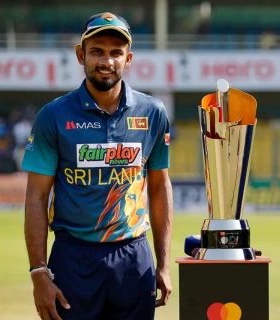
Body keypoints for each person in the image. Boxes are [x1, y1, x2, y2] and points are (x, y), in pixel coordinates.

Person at [22, 12, 173, 320]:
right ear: (81, 55)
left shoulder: (153, 112)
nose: (107, 61)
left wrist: (163, 264)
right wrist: (39, 271)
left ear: (128, 58)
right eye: (97, 51)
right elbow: (36, 196)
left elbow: (159, 187)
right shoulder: (53, 116)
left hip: (133, 257)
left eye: (116, 52)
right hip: (73, 257)